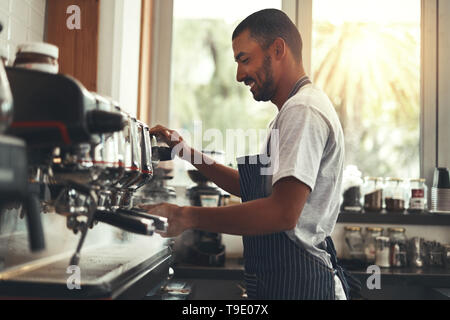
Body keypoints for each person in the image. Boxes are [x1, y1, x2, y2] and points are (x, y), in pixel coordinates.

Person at [144, 8, 353, 300]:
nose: (240, 74)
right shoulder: (293, 110)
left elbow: (282, 213)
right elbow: (251, 188)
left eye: (245, 59)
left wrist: (186, 215)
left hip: (301, 284)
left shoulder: (302, 110)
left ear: (278, 49)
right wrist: (187, 152)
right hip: (286, 280)